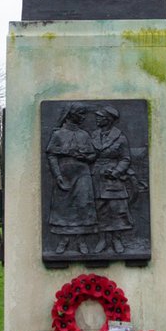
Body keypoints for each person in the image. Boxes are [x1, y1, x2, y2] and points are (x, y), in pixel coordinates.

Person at [44, 103, 97, 254]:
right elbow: (52, 155)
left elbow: (93, 155)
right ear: (70, 114)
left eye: (83, 114)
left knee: (83, 206)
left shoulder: (84, 135)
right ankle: (64, 240)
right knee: (63, 208)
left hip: (83, 174)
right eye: (80, 113)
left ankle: (81, 241)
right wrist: (58, 176)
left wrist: (85, 156)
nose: (83, 117)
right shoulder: (58, 134)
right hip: (64, 174)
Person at [90, 106, 134, 255]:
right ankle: (102, 239)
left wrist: (116, 172)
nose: (97, 119)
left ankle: (117, 239)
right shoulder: (93, 136)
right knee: (99, 209)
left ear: (108, 120)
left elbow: (126, 158)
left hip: (113, 178)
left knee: (117, 209)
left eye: (100, 117)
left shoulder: (120, 137)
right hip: (96, 177)